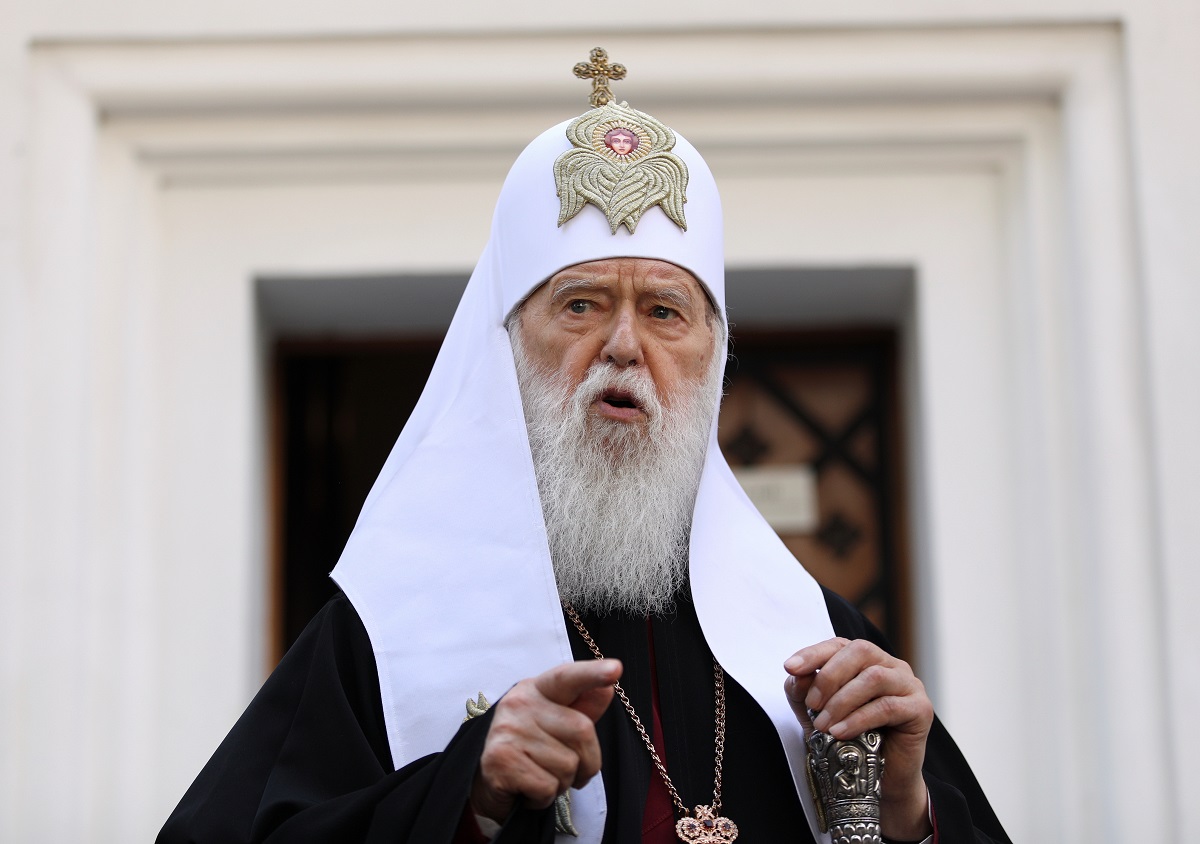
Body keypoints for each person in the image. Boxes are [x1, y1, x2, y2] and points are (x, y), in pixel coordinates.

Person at [159, 91, 1009, 844]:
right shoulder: (392, 624)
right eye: (581, 304)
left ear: (713, 359)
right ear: (508, 350)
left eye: (666, 311)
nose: (625, 346)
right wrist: (467, 796)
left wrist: (908, 816)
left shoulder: (809, 630)